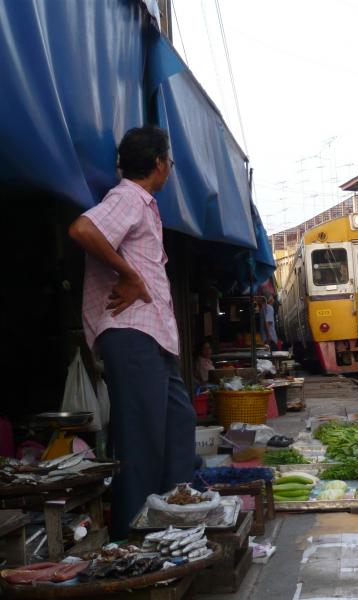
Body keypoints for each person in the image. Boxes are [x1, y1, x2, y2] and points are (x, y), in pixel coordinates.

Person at [68, 125, 196, 538]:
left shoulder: (144, 204)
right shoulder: (127, 197)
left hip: (154, 336)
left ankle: (174, 522)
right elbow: (83, 229)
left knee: (177, 427)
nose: (170, 169)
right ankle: (134, 542)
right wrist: (130, 276)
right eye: (170, 162)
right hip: (131, 333)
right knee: (141, 443)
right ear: (159, 163)